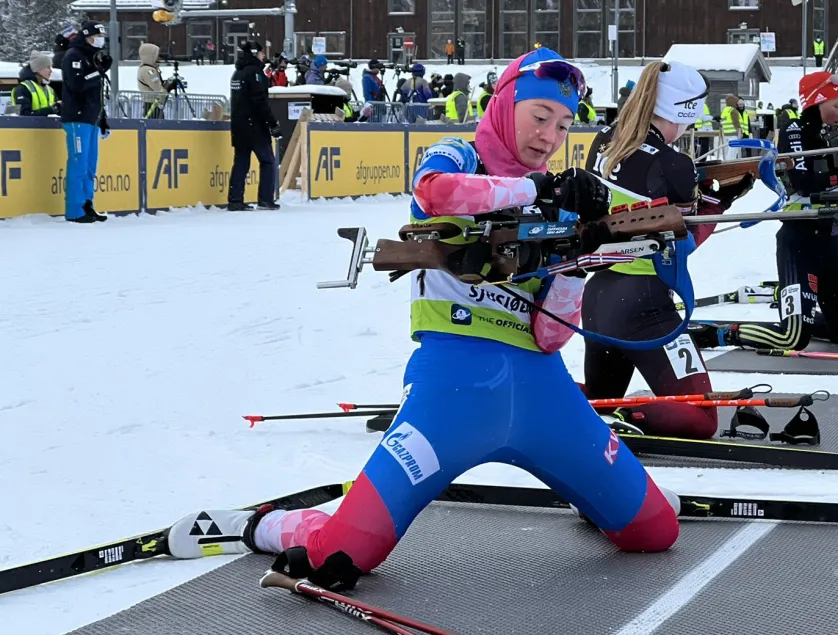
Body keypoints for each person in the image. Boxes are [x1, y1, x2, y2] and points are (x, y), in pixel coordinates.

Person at [165, 49, 680, 590]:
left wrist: (583, 257)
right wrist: (538, 191)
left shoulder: (560, 205)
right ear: (505, 105)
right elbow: (435, 194)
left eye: (563, 123)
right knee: (341, 555)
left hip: (543, 397)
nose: (550, 136)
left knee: (654, 531)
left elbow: (550, 337)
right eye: (539, 116)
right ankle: (264, 525)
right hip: (449, 399)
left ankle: (597, 492)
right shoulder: (458, 155)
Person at [581, 61, 747, 440]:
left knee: (597, 401)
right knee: (701, 417)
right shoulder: (674, 163)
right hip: (645, 302)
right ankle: (628, 417)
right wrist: (718, 205)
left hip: (599, 296)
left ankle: (549, 403)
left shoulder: (606, 139)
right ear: (685, 109)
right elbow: (681, 245)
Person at [690, 71, 838, 352]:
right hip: (801, 242)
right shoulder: (794, 130)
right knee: (793, 339)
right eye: (836, 106)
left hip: (833, 242)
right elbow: (803, 180)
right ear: (816, 103)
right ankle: (720, 335)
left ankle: (800, 312)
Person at [60, 20, 111, 224]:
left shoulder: (92, 57)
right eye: (97, 37)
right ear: (88, 36)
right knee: (78, 164)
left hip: (91, 118)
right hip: (77, 117)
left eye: (102, 37)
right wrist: (98, 72)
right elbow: (77, 84)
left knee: (90, 166)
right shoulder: (73, 55)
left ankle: (87, 204)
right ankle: (74, 209)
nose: (100, 41)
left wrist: (103, 118)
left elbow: (97, 93)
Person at [228, 41, 280, 212]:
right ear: (254, 53)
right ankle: (265, 198)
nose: (263, 56)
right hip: (255, 125)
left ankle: (235, 199)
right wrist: (272, 123)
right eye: (261, 53)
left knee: (241, 162)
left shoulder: (237, 73)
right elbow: (260, 102)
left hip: (239, 124)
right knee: (268, 161)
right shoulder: (255, 73)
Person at [13, 53, 58, 117]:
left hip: (48, 126)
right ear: (38, 69)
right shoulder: (23, 88)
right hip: (29, 127)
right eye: (48, 67)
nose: (51, 71)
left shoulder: (50, 90)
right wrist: (51, 110)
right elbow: (24, 116)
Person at [137, 43, 174, 119]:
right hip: (152, 105)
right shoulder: (149, 71)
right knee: (155, 127)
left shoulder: (146, 68)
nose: (158, 57)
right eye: (156, 55)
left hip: (152, 103)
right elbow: (158, 88)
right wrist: (168, 86)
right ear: (150, 56)